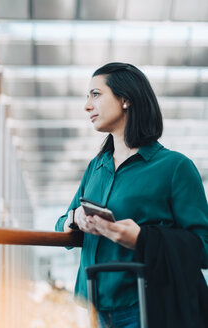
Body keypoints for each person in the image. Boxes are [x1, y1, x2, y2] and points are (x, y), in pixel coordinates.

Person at [55, 62, 208, 328]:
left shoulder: (174, 167)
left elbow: (203, 247)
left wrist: (141, 239)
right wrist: (74, 218)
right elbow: (61, 227)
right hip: (93, 309)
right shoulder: (97, 167)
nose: (87, 106)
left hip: (146, 307)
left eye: (96, 94)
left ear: (125, 99)